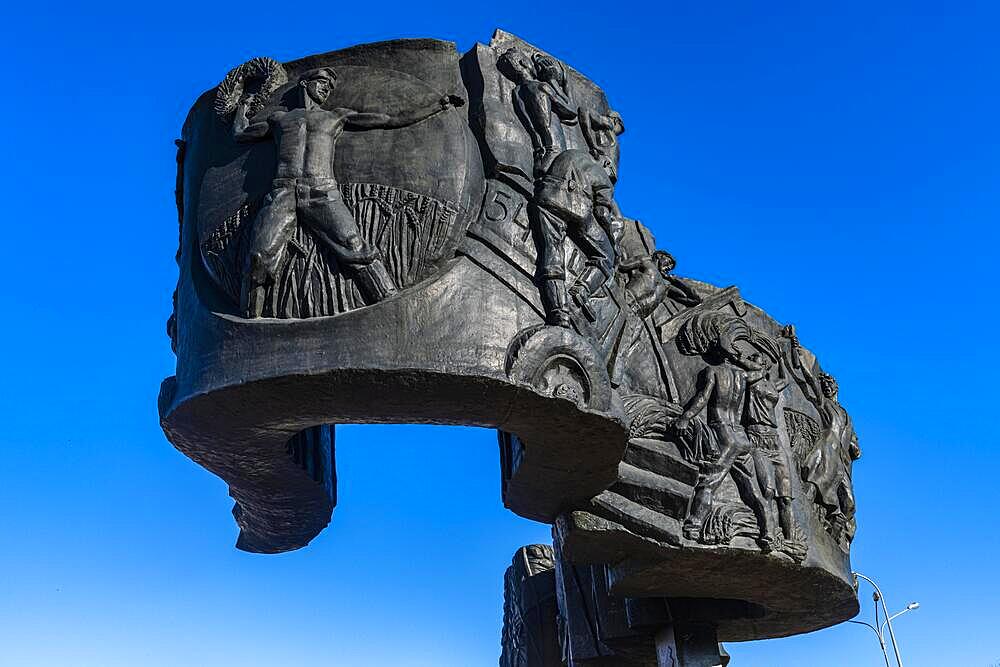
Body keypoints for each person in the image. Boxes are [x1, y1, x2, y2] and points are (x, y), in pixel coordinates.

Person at [232, 67, 463, 317]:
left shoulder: (336, 117)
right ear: (305, 84)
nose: (326, 89)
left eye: (330, 87)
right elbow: (240, 134)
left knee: (354, 245)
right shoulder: (279, 119)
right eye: (321, 82)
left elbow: (388, 120)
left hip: (322, 191)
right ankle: (249, 318)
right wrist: (243, 107)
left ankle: (391, 303)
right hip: (283, 192)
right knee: (258, 254)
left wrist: (437, 106)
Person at [671, 313, 774, 550]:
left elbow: (701, 399)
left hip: (724, 433)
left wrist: (685, 418)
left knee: (709, 483)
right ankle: (768, 533)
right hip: (742, 436)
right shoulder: (743, 375)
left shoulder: (713, 372)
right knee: (753, 491)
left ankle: (694, 525)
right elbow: (759, 369)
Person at [783, 325, 861, 540]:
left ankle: (832, 540)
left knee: (849, 504)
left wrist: (854, 448)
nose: (827, 388)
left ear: (835, 387)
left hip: (841, 462)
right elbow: (807, 378)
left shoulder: (846, 415)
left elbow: (855, 447)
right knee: (814, 486)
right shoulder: (823, 403)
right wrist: (795, 347)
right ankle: (799, 526)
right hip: (825, 451)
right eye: (824, 385)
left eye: (829, 385)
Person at [531, 149, 621, 328]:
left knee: (551, 250)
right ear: (607, 165)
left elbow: (540, 168)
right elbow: (602, 213)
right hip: (577, 208)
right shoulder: (603, 175)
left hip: (546, 196)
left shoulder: (570, 153)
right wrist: (612, 240)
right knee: (607, 256)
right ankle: (580, 291)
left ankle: (558, 310)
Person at [743, 336, 797, 542]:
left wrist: (781, 358)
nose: (752, 360)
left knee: (786, 497)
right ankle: (768, 533)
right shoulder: (749, 378)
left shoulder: (772, 385)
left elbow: (786, 379)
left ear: (765, 366)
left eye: (755, 359)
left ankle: (791, 542)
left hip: (774, 439)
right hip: (756, 436)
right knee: (767, 490)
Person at [498, 48, 579, 176]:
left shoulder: (517, 92)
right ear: (524, 62)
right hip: (555, 153)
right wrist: (557, 82)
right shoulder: (541, 86)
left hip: (540, 154)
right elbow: (571, 111)